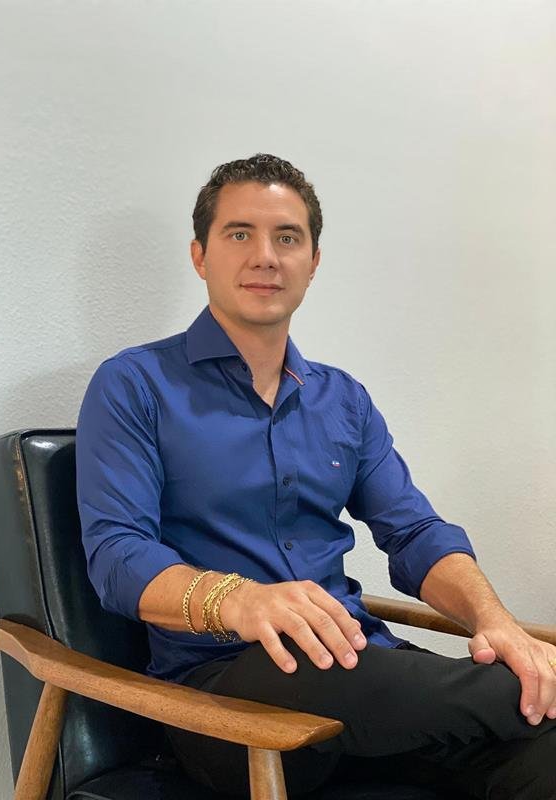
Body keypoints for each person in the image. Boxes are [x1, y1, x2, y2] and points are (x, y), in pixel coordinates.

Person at [76, 154, 556, 798]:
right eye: (239, 233)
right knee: (514, 693)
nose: (265, 256)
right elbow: (117, 556)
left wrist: (494, 620)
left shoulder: (343, 400)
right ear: (200, 256)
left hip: (359, 670)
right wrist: (242, 601)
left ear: (313, 261)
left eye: (287, 237)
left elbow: (414, 532)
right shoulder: (134, 384)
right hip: (224, 695)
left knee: (541, 745)